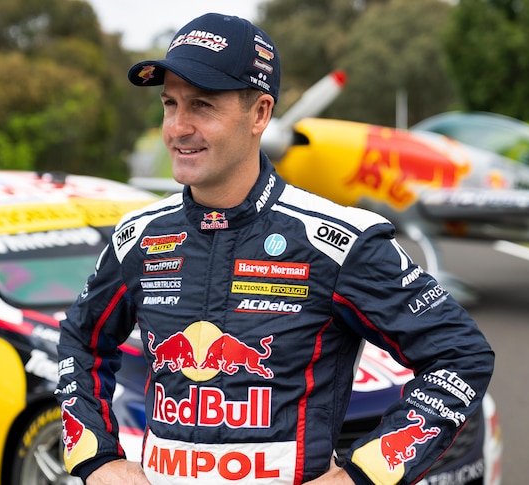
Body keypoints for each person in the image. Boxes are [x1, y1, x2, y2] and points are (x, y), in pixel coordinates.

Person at [57, 12, 494, 485]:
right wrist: (96, 458)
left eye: (201, 106)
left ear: (260, 114)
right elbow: (80, 341)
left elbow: (460, 355)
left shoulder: (340, 241)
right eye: (169, 104)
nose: (178, 127)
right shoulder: (138, 237)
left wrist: (363, 474)